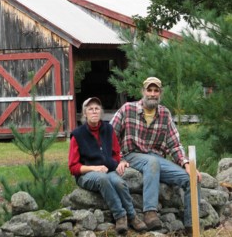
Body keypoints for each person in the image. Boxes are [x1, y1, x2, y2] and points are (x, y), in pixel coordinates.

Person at [110, 77, 202, 235]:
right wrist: (119, 158)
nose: (152, 94)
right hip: (132, 154)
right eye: (149, 90)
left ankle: (191, 225)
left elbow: (174, 143)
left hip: (157, 158)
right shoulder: (127, 109)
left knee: (192, 178)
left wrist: (186, 164)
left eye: (156, 91)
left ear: (160, 93)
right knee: (151, 161)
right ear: (143, 91)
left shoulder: (164, 113)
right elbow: (110, 136)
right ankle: (150, 213)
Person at [69, 97, 148, 234]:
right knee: (102, 179)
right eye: (90, 109)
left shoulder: (108, 129)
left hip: (108, 170)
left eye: (97, 108)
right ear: (84, 113)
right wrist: (94, 168)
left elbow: (116, 153)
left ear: (101, 112)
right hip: (86, 174)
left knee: (119, 182)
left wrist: (120, 162)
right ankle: (120, 216)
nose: (94, 111)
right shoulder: (77, 135)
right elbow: (73, 167)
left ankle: (132, 216)